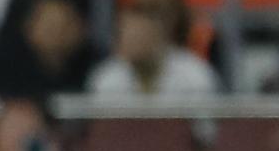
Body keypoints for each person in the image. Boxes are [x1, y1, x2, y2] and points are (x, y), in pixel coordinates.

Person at [86, 6, 218, 100]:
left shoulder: (194, 74)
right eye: (129, 37)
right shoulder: (105, 79)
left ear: (160, 37)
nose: (135, 45)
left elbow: (207, 132)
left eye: (140, 36)